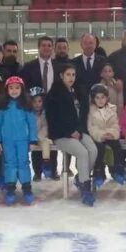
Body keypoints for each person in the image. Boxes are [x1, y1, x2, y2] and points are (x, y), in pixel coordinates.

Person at [45, 64, 97, 205]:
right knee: (82, 152)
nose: (71, 78)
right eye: (68, 74)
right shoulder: (53, 95)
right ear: (61, 75)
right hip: (61, 135)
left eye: (73, 75)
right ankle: (85, 187)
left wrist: (78, 131)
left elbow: (81, 115)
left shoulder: (76, 92)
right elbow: (53, 120)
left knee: (92, 150)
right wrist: (69, 132)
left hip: (78, 132)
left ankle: (81, 177)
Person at [21, 37, 60, 177]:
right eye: (43, 45)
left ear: (52, 48)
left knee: (52, 137)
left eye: (49, 45)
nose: (46, 48)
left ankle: (53, 168)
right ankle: (37, 171)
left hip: (54, 107)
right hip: (35, 106)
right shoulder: (28, 66)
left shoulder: (58, 66)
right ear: (39, 47)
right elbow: (24, 89)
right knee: (36, 135)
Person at [0, 76, 37, 206]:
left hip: (22, 140)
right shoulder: (2, 106)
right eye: (11, 88)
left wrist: (33, 140)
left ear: (22, 90)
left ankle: (27, 187)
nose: (14, 91)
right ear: (6, 90)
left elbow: (32, 124)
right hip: (8, 141)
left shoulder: (26, 105)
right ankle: (10, 188)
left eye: (17, 88)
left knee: (23, 162)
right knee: (10, 163)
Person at [87, 83, 124, 187]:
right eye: (97, 98)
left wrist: (112, 134)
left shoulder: (112, 109)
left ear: (107, 98)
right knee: (100, 147)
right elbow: (91, 127)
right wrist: (101, 135)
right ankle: (99, 171)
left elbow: (115, 124)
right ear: (93, 99)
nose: (100, 100)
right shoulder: (90, 110)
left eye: (103, 97)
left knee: (116, 145)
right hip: (98, 137)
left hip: (110, 135)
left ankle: (117, 168)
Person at [28, 87, 52, 182]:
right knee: (35, 154)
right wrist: (33, 137)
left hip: (42, 137)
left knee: (46, 144)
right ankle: (37, 173)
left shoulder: (45, 114)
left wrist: (39, 136)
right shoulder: (29, 114)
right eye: (34, 102)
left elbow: (45, 126)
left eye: (39, 101)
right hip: (31, 138)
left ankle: (47, 163)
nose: (37, 104)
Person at [72, 33, 106, 98]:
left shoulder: (103, 61)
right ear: (81, 45)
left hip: (99, 100)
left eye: (91, 43)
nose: (88, 46)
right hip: (80, 101)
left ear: (95, 45)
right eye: (85, 43)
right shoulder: (73, 63)